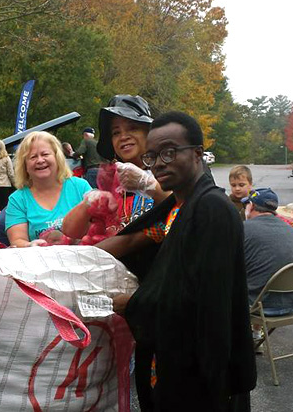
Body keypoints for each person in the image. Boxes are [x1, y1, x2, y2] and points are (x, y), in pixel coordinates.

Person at [97, 111, 256, 411]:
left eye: (169, 152)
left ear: (198, 154)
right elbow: (132, 240)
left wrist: (132, 303)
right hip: (172, 362)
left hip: (204, 377)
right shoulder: (177, 208)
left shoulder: (212, 209)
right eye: (152, 156)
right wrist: (70, 258)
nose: (158, 163)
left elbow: (206, 303)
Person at [62, 95, 169, 238]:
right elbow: (70, 231)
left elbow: (187, 208)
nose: (123, 136)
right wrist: (88, 204)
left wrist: (148, 184)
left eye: (132, 128)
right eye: (116, 132)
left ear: (148, 133)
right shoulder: (110, 182)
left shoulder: (169, 170)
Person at [6, 131, 92, 247]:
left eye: (45, 154)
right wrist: (30, 246)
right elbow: (17, 241)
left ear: (57, 158)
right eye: (33, 157)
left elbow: (99, 227)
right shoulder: (17, 200)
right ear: (25, 165)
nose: (40, 160)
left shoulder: (80, 187)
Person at [242, 188, 293, 315]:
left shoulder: (243, 229)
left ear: (251, 206)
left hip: (256, 305)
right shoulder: (289, 229)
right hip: (290, 306)